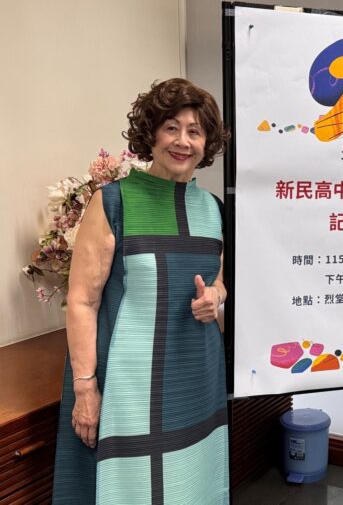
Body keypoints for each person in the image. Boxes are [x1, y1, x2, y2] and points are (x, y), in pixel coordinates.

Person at [52, 78, 231, 504]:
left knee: (193, 480)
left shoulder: (214, 209)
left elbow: (219, 281)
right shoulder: (114, 202)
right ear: (151, 134)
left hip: (197, 374)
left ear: (207, 143)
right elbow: (82, 301)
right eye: (171, 128)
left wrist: (216, 299)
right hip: (129, 383)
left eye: (194, 131)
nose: (183, 141)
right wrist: (85, 388)